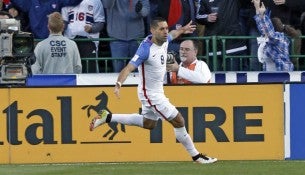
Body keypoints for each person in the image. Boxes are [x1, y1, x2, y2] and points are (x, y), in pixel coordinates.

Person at [89, 17, 217, 164]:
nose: (165, 32)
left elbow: (173, 35)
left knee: (149, 124)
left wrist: (182, 30)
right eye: (161, 29)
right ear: (152, 30)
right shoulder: (145, 49)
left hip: (156, 91)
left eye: (166, 28)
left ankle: (108, 117)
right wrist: (118, 84)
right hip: (150, 94)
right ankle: (196, 156)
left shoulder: (164, 39)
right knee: (178, 120)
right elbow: (129, 67)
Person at [101, 0, 150, 73]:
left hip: (136, 37)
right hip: (117, 38)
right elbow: (107, 5)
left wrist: (140, 10)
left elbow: (146, 10)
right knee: (118, 71)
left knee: (138, 70)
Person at [61, 0, 105, 73]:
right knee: (70, 71)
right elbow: (64, 20)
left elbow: (100, 22)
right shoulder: (67, 1)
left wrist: (92, 28)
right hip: (70, 39)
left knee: (90, 71)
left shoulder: (96, 1)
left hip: (89, 40)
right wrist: (62, 26)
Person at [252, 0, 293, 71]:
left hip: (282, 75)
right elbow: (263, 28)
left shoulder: (280, 39)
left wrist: (260, 12)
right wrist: (258, 12)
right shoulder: (270, 39)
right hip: (272, 75)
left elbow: (268, 32)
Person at [10, 0, 82, 39]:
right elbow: (17, 2)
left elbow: (73, 1)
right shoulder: (31, 2)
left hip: (54, 40)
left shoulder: (57, 1)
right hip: (36, 40)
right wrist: (10, 6)